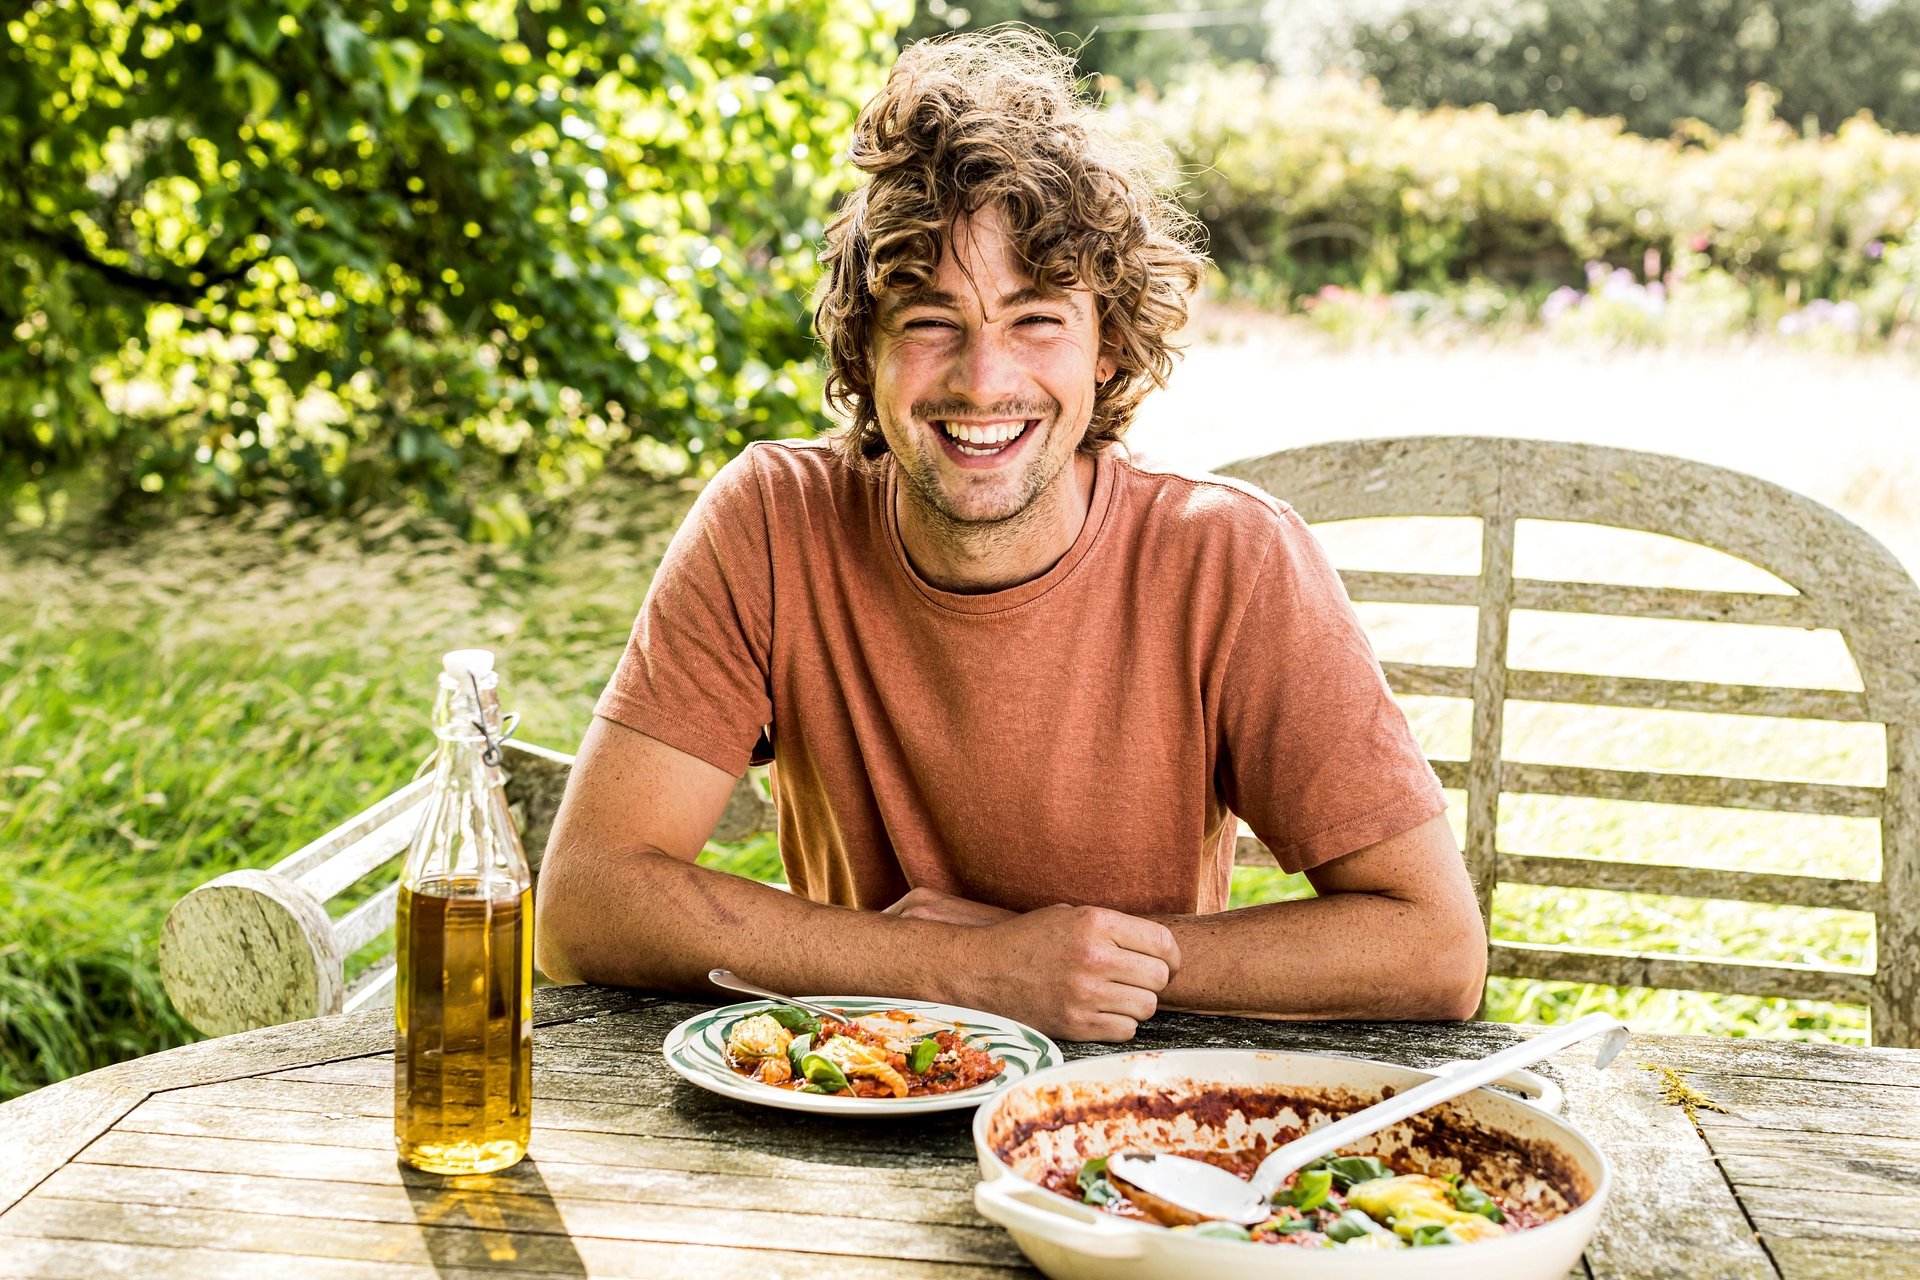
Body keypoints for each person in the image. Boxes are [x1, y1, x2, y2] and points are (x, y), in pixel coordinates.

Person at [534, 28, 1487, 1041]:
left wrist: (1084, 963)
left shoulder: (1230, 558)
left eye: (1036, 319)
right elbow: (585, 902)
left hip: (1134, 1121)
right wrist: (964, 969)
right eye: (930, 321)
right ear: (864, 349)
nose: (983, 381)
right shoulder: (772, 522)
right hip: (852, 1098)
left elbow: (1435, 947)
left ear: (1109, 347)